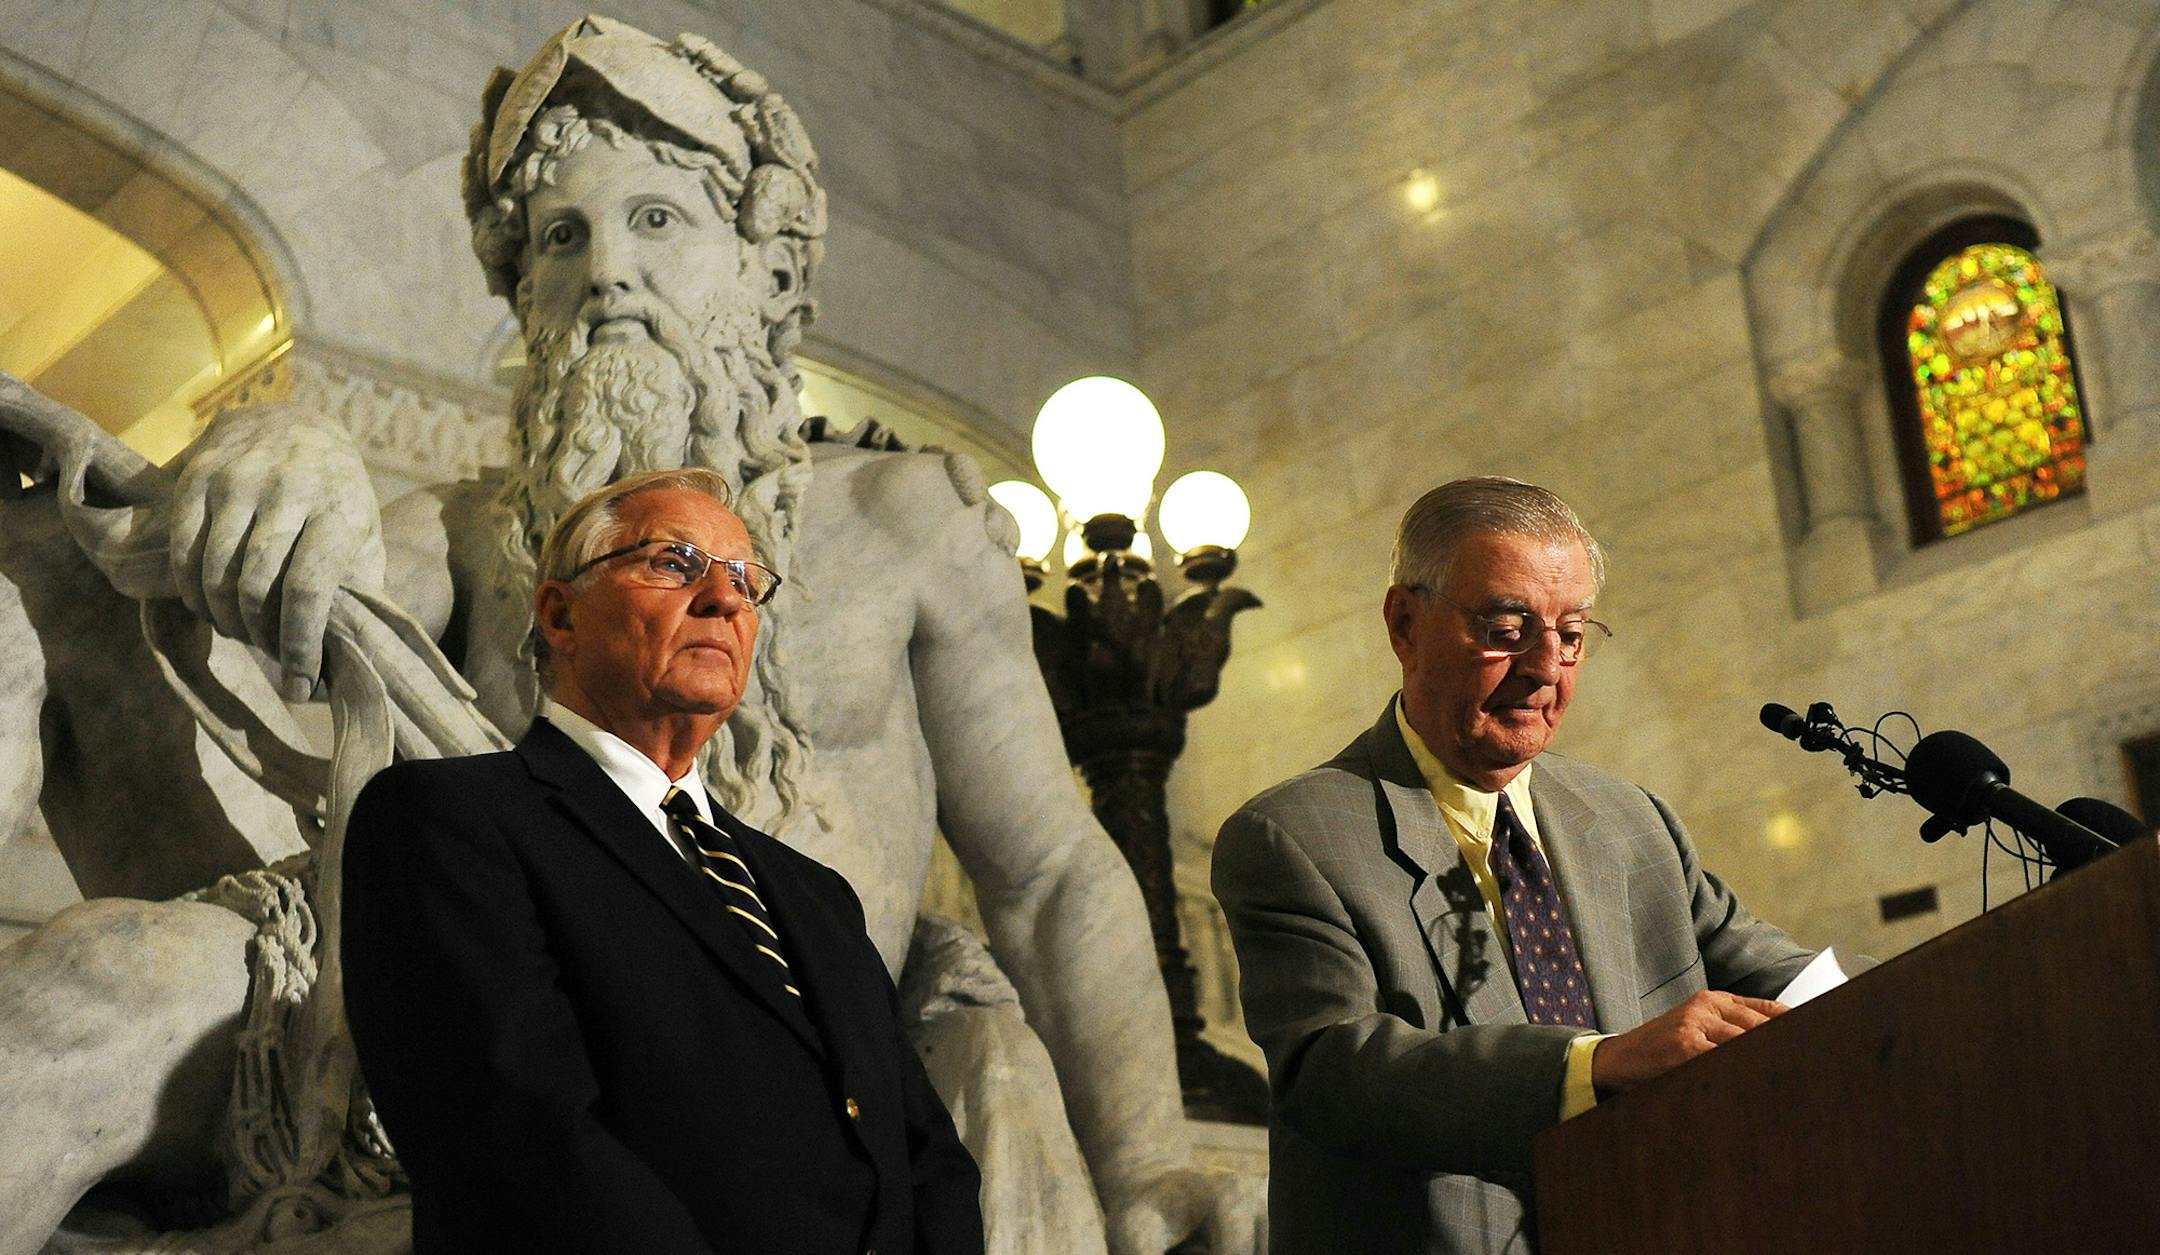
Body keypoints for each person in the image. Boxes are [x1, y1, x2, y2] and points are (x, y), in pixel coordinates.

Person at [0, 16, 1253, 1254]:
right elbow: (261, 630)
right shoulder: (468, 534)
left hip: (793, 1066)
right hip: (492, 1020)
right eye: (562, 235)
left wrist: (1145, 1159)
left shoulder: (901, 522)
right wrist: (278, 446)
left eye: (657, 218)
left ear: (764, 270)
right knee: (91, 912)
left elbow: (1047, 872)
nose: (605, 270)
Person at [341, 469, 982, 1254]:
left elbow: (925, 1154)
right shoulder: (450, 821)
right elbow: (519, 1140)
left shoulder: (815, 893)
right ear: (560, 613)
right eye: (674, 562)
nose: (724, 599)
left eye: (745, 580)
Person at [1212, 477, 1817, 1254]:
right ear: (1405, 624)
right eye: (1506, 628)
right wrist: (1596, 1064)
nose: (1545, 666)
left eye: (1572, 633)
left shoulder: (1632, 821)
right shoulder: (1294, 837)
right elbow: (1337, 1075)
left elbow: (1786, 980)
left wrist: (1924, 1000)